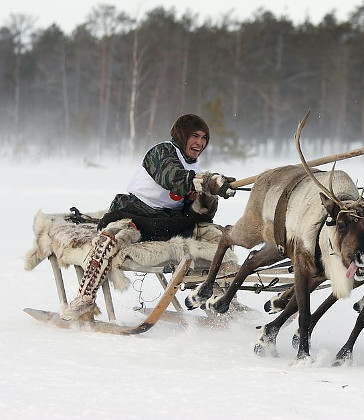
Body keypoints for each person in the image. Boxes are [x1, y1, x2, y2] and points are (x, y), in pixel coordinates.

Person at [61, 114, 236, 320]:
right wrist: (207, 182)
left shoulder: (194, 167)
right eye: (194, 136)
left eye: (204, 138)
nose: (200, 142)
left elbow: (197, 208)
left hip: (167, 222)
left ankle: (224, 299)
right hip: (136, 213)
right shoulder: (161, 152)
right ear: (181, 135)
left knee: (221, 238)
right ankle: (85, 299)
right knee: (110, 239)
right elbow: (172, 178)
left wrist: (211, 194)